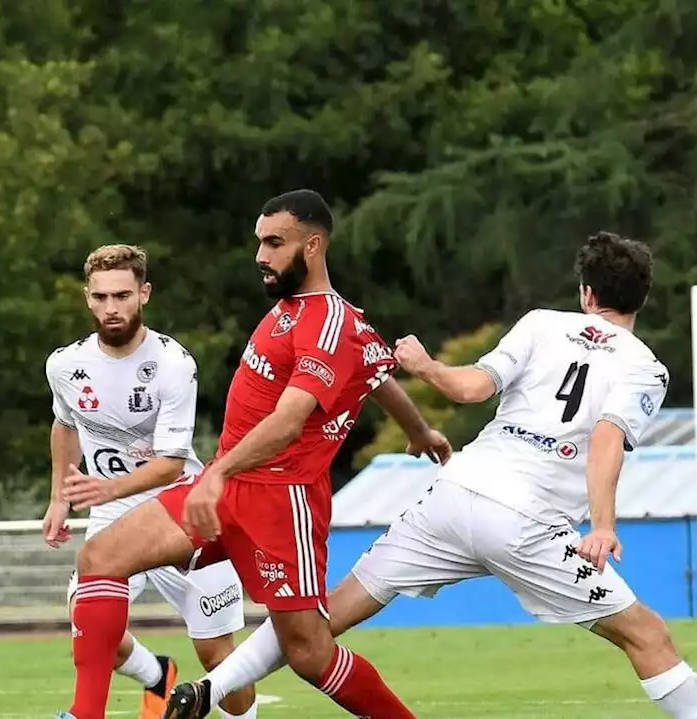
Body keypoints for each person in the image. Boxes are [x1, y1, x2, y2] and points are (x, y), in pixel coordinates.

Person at [168, 232, 697, 719]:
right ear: (642, 299)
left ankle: (207, 690)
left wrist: (424, 366)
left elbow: (470, 389)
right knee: (646, 635)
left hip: (457, 493)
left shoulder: (541, 324)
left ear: (586, 292)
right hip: (527, 524)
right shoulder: (646, 368)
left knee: (324, 616)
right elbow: (606, 439)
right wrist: (603, 524)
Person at [56, 189, 451, 719]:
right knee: (99, 559)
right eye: (259, 243)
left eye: (274, 243)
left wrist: (217, 473)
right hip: (229, 488)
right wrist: (420, 431)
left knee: (309, 652)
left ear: (312, 246)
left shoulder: (330, 322)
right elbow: (379, 375)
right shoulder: (295, 312)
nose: (261, 256)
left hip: (281, 506)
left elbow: (289, 422)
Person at [42, 244, 258, 719]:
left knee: (217, 657)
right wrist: (59, 497)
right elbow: (64, 425)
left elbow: (169, 464)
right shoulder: (64, 365)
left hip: (181, 506)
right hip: (115, 509)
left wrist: (103, 488)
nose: (110, 307)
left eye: (121, 295)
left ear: (144, 294)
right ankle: (156, 677)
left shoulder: (172, 364)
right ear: (87, 298)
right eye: (100, 297)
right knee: (92, 624)